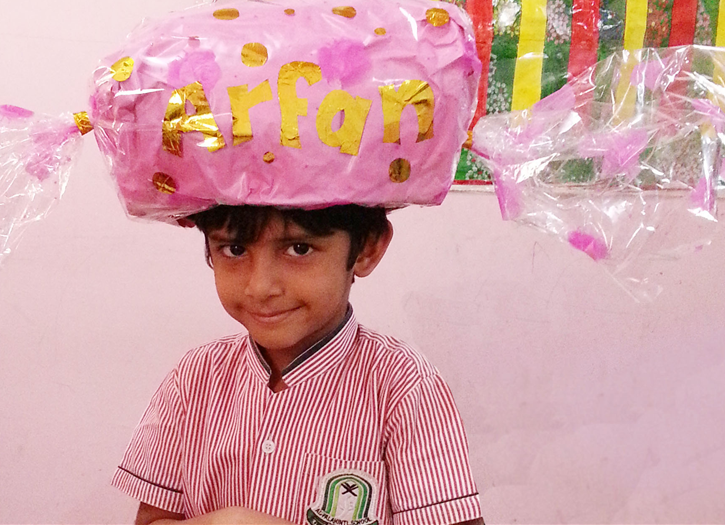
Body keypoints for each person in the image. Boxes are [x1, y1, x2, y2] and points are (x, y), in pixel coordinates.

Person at [113, 204, 483, 525]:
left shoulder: (404, 386)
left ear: (367, 248)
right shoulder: (194, 378)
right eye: (235, 249)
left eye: (299, 248)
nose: (261, 287)